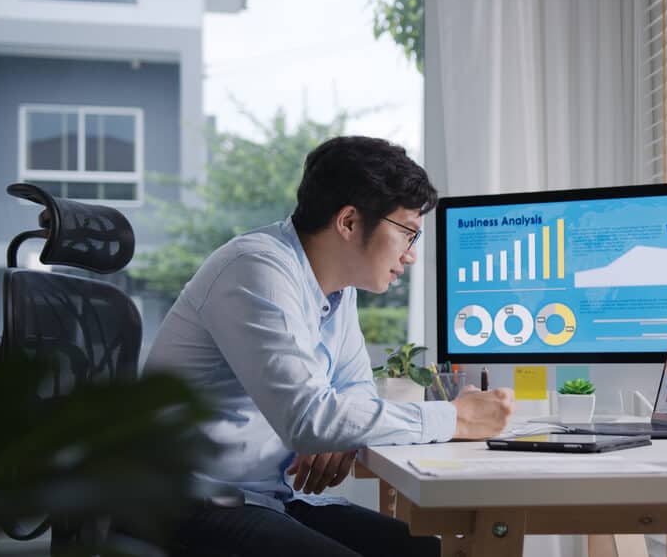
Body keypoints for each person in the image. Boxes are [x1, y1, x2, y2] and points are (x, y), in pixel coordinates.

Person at [144, 136, 515, 556]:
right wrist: (455, 418)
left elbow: (350, 390)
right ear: (349, 222)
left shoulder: (337, 291)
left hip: (263, 497)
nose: (411, 255)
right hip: (184, 504)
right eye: (407, 234)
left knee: (423, 552)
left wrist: (341, 432)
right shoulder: (256, 269)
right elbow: (310, 419)